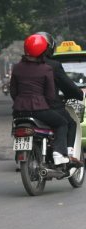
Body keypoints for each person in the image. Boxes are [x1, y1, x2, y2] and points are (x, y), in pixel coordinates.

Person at [10, 34, 69, 165]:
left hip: (19, 112)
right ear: (44, 50)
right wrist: (46, 104)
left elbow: (13, 92)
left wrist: (20, 102)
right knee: (62, 123)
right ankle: (59, 153)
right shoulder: (46, 69)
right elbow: (50, 95)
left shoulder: (17, 68)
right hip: (39, 110)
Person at [36, 31, 85, 163]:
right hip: (48, 108)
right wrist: (78, 94)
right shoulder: (53, 65)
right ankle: (65, 154)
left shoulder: (21, 66)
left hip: (22, 109)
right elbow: (67, 85)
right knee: (67, 123)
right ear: (49, 47)